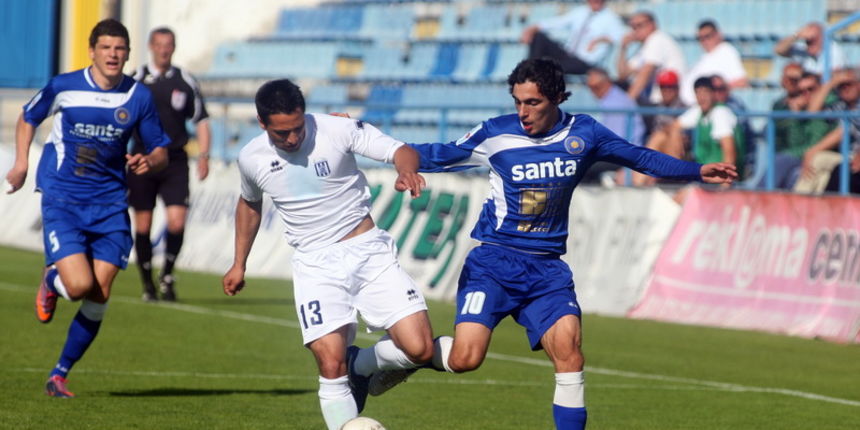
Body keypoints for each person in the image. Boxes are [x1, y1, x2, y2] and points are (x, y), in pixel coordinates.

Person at [404, 58, 737, 430]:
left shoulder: (585, 134)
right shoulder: (496, 134)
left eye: (533, 103)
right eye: (517, 101)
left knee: (570, 356)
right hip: (494, 264)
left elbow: (639, 157)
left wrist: (696, 170)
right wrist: (365, 142)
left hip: (547, 270)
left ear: (558, 98)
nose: (523, 112)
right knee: (466, 358)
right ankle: (380, 361)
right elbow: (436, 153)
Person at [221, 79, 441, 430]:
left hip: (369, 252)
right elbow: (249, 204)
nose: (292, 139)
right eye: (281, 134)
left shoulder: (336, 129)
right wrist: (238, 263)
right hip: (315, 265)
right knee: (330, 365)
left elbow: (400, 149)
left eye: (296, 128)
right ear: (262, 124)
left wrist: (406, 169)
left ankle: (363, 366)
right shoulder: (251, 158)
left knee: (419, 349)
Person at [4, 19, 169, 397]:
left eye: (120, 49)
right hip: (64, 198)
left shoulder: (138, 96)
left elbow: (161, 149)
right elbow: (29, 116)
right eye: (107, 48)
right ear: (92, 51)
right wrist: (22, 163)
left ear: (128, 54)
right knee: (78, 286)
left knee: (100, 293)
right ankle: (51, 280)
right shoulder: (65, 86)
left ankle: (59, 374)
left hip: (111, 204)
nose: (114, 55)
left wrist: (150, 161)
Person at [128, 27, 212, 302]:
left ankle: (167, 275)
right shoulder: (137, 79)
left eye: (169, 45)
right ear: (151, 46)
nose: (164, 50)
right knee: (143, 224)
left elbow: (200, 119)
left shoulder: (184, 80)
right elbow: (122, 119)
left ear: (174, 47)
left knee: (177, 222)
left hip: (175, 159)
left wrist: (204, 155)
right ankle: (147, 283)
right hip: (143, 157)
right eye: (160, 45)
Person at [762, 72, 833, 189]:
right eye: (801, 91)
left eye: (811, 89)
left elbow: (814, 143)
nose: (806, 94)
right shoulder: (802, 111)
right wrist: (795, 116)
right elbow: (796, 142)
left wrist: (789, 154)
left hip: (818, 157)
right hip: (803, 158)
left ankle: (758, 199)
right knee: (787, 169)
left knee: (783, 162)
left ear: (821, 89)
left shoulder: (829, 110)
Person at [794, 68, 860, 193]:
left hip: (856, 156)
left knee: (818, 160)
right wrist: (831, 83)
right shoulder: (841, 105)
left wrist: (812, 151)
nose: (845, 88)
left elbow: (843, 132)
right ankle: (808, 206)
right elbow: (812, 113)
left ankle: (798, 200)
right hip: (846, 155)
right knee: (822, 174)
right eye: (841, 86)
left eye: (849, 84)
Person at [520, 0, 625, 74]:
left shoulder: (611, 19)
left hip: (585, 62)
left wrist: (601, 40)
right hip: (568, 54)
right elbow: (558, 22)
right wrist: (533, 28)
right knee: (539, 37)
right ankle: (531, 71)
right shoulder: (581, 11)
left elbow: (622, 36)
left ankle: (534, 75)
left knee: (551, 67)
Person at [668, 77, 746, 176]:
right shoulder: (699, 111)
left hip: (718, 177)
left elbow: (729, 152)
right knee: (662, 137)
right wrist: (677, 136)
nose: (701, 97)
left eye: (705, 92)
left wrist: (725, 184)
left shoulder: (720, 113)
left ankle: (670, 176)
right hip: (705, 173)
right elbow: (674, 126)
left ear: (713, 94)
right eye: (698, 93)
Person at [616, 11, 686, 104]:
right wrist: (623, 48)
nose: (635, 30)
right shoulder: (644, 47)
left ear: (652, 25)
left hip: (670, 101)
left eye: (639, 25)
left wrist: (626, 104)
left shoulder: (657, 39)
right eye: (633, 27)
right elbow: (623, 75)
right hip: (658, 100)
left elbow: (646, 73)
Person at [680, 20, 748, 106]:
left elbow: (742, 81)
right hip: (693, 107)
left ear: (718, 34)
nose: (704, 41)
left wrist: (716, 90)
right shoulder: (704, 57)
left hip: (711, 108)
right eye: (700, 38)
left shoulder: (726, 51)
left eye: (707, 36)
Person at [774, 22, 845, 75]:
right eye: (807, 40)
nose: (809, 43)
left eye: (813, 39)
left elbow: (834, 74)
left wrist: (803, 75)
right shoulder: (804, 48)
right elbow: (779, 50)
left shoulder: (833, 50)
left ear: (822, 38)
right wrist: (796, 35)